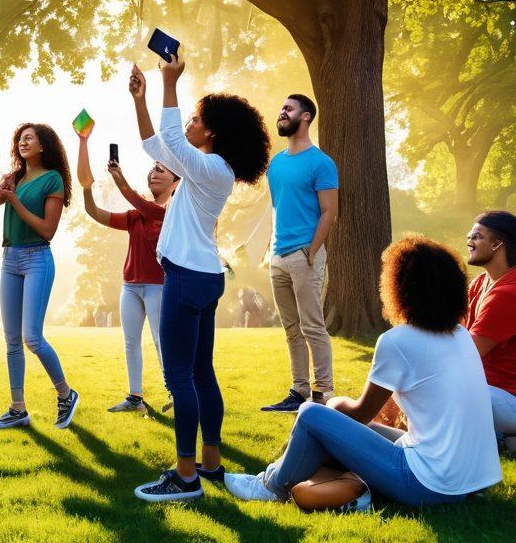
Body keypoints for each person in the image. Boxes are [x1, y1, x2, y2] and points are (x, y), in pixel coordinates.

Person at [226, 235, 503, 506]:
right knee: (336, 422)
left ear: (400, 288)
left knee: (311, 413)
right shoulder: (460, 335)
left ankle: (270, 486)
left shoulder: (398, 341)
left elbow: (360, 414)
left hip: (429, 484)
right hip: (474, 480)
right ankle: (319, 480)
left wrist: (335, 403)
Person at [129, 56, 270, 502]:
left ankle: (185, 475)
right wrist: (141, 99)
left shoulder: (211, 169)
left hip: (188, 280)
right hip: (203, 277)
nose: (188, 124)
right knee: (201, 373)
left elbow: (170, 138)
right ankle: (210, 464)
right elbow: (156, 144)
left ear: (210, 133)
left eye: (195, 119)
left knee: (179, 378)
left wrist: (170, 82)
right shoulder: (205, 168)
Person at [0, 123, 79, 430]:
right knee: (11, 340)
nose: (23, 142)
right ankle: (18, 408)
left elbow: (47, 229)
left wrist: (14, 200)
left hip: (37, 258)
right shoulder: (15, 177)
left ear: (43, 146)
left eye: (29, 138)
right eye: (20, 139)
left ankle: (65, 394)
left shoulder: (53, 179)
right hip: (10, 259)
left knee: (31, 337)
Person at [76, 126, 178, 414]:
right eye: (153, 169)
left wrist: (120, 179)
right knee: (131, 342)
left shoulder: (170, 212)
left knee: (161, 341)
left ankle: (175, 393)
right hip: (130, 286)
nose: (154, 173)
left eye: (161, 170)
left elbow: (140, 202)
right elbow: (97, 214)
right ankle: (135, 397)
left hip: (158, 286)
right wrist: (86, 187)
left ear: (175, 181)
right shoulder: (136, 217)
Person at [261, 94, 339, 412]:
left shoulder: (321, 163)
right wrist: (270, 245)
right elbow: (278, 207)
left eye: (289, 109)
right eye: (282, 107)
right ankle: (299, 391)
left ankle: (323, 394)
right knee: (291, 328)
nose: (282, 112)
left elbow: (329, 212)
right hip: (278, 257)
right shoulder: (276, 164)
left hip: (304, 254)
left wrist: (312, 250)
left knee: (312, 325)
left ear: (305, 117)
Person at [464, 210, 516, 452]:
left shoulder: (508, 294)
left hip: (508, 396)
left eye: (476, 236)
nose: (469, 240)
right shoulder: (479, 283)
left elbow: (467, 353)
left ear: (497, 244)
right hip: (490, 391)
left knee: (446, 389)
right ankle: (503, 437)